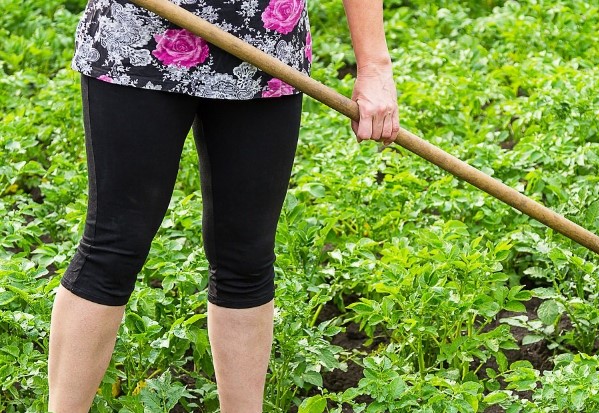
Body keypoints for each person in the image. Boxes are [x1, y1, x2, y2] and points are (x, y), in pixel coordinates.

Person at [47, 0, 399, 412]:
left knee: (246, 258)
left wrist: (374, 65)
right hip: (139, 36)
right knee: (113, 247)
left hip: (267, 39)